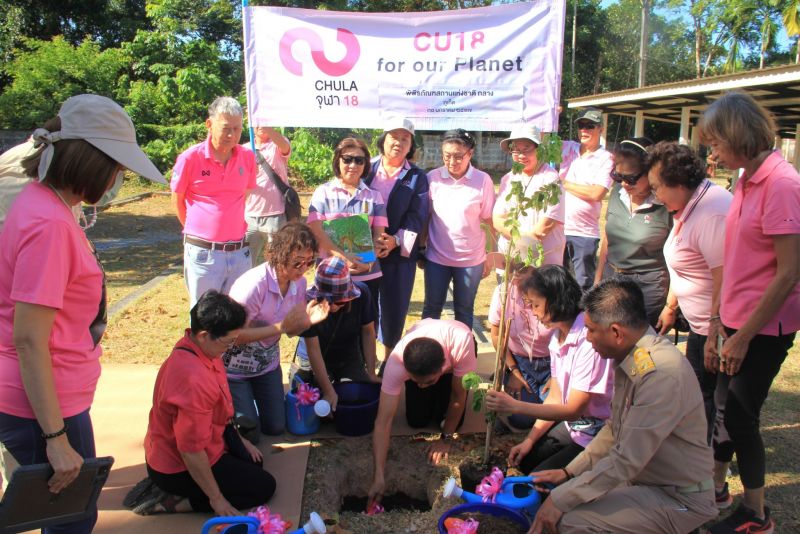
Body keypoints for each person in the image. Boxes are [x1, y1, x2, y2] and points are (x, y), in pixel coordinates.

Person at [0, 94, 165, 534]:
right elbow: (30, 338)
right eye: (117, 166)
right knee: (70, 521)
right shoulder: (50, 226)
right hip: (43, 405)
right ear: (92, 161)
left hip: (54, 395)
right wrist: (55, 439)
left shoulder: (46, 205)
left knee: (69, 516)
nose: (118, 177)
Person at [528, 279, 717, 534]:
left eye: (592, 330)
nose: (587, 337)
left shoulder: (658, 375)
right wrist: (569, 472)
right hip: (646, 482)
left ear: (616, 332)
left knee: (570, 521)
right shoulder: (631, 357)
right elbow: (613, 431)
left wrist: (561, 498)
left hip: (678, 496)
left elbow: (626, 460)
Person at [699, 92, 800, 534]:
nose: (712, 152)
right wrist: (721, 321)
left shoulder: (782, 184)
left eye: (716, 143)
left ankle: (756, 514)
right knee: (722, 405)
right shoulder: (746, 177)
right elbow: (739, 256)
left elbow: (789, 272)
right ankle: (716, 488)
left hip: (765, 325)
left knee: (741, 415)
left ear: (738, 136)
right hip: (736, 318)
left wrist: (743, 336)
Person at [139, 291, 275, 516]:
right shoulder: (192, 380)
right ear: (203, 335)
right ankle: (176, 501)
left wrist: (240, 441)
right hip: (176, 466)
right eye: (228, 341)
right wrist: (217, 499)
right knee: (263, 488)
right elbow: (190, 451)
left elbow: (220, 410)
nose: (231, 347)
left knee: (254, 462)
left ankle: (203, 485)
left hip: (212, 438)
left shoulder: (200, 348)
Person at [486, 266, 613, 474]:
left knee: (540, 481)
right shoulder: (557, 337)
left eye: (536, 305)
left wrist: (515, 406)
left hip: (598, 435)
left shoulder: (587, 339)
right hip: (576, 429)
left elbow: (573, 410)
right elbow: (554, 397)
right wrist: (529, 441)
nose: (533, 313)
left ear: (555, 299)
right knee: (526, 463)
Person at [646, 141, 732, 444]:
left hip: (715, 328)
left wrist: (714, 331)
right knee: (698, 393)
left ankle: (706, 465)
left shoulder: (712, 213)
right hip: (699, 323)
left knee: (710, 400)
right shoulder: (689, 206)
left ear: (678, 181)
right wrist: (671, 305)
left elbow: (724, 275)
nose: (655, 195)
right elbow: (685, 264)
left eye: (657, 187)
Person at [224, 222, 329, 441]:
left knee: (275, 427)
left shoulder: (298, 284)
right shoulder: (253, 285)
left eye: (309, 262)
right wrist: (281, 327)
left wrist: (308, 322)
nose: (303, 268)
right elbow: (232, 337)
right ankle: (230, 404)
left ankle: (248, 402)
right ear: (278, 255)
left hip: (267, 366)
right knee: (250, 434)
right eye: (297, 262)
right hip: (235, 370)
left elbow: (291, 330)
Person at [368, 318, 476, 506]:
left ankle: (440, 387)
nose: (421, 386)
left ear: (441, 367)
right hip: (425, 355)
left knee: (453, 422)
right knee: (417, 420)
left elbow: (458, 397)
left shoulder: (462, 344)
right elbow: (382, 422)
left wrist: (445, 440)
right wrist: (379, 475)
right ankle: (433, 391)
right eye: (415, 380)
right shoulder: (396, 363)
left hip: (453, 355)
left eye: (428, 381)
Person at [171, 96, 257, 306]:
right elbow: (177, 200)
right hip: (203, 253)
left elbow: (244, 194)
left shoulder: (247, 157)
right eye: (226, 128)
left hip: (238, 252)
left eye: (237, 129)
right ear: (209, 124)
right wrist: (200, 231)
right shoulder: (190, 158)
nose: (231, 135)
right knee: (204, 315)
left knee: (237, 313)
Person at [365, 118, 430, 362]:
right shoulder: (366, 168)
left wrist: (394, 240)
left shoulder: (416, 176)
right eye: (394, 137)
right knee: (365, 306)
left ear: (411, 144)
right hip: (365, 250)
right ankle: (365, 360)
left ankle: (388, 361)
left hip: (399, 253)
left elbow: (417, 215)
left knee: (394, 308)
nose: (399, 143)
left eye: (405, 139)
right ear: (384, 139)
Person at [422, 129, 495, 329]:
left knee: (464, 310)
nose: (452, 161)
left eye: (458, 156)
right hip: (437, 258)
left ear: (470, 154)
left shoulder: (483, 180)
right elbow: (426, 217)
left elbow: (490, 220)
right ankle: (427, 356)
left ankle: (463, 356)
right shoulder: (432, 178)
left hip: (471, 260)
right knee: (431, 309)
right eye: (447, 156)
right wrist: (421, 249)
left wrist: (489, 254)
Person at [595, 137, 671, 326]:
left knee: (642, 344)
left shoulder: (665, 204)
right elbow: (608, 238)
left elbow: (679, 258)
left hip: (647, 286)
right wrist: (598, 279)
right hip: (611, 278)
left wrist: (671, 306)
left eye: (631, 178)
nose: (624, 184)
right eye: (618, 177)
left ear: (651, 173)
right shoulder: (617, 194)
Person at [307, 137, 388, 316]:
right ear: (338, 160)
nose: (353, 165)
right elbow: (315, 229)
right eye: (347, 159)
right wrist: (344, 257)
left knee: (366, 329)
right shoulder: (323, 192)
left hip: (367, 275)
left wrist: (368, 262)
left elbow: (379, 236)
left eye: (359, 160)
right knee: (329, 327)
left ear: (366, 164)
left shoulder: (375, 197)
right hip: (330, 276)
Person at [294, 256, 381, 411]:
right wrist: (328, 391)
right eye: (326, 300)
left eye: (340, 301)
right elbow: (313, 349)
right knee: (321, 408)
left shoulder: (362, 293)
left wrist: (371, 373)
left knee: (357, 397)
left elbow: (368, 332)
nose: (333, 306)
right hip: (318, 357)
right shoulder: (307, 303)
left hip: (349, 355)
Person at [488, 266, 554, 430]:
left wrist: (557, 376)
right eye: (514, 268)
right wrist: (514, 371)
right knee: (521, 420)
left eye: (524, 269)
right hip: (520, 363)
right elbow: (497, 335)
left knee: (554, 413)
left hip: (552, 363)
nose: (517, 274)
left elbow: (566, 334)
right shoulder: (503, 293)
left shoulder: (551, 290)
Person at [493, 125, 566, 268]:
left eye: (527, 149)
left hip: (543, 261)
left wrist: (523, 253)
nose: (521, 155)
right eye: (516, 149)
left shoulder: (550, 179)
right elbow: (498, 220)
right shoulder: (508, 179)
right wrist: (516, 250)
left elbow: (545, 226)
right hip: (510, 259)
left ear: (539, 149)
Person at [562, 109, 614, 291]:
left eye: (590, 126)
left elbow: (596, 193)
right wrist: (553, 112)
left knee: (582, 286)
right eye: (581, 126)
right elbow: (543, 142)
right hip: (557, 229)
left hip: (583, 233)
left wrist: (564, 183)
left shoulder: (606, 159)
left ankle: (582, 320)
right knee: (558, 284)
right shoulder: (568, 148)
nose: (584, 130)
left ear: (601, 129)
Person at [243, 126, 291, 266]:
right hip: (249, 215)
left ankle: (275, 287)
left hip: (276, 215)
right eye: (257, 121)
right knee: (245, 261)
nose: (261, 125)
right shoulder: (244, 149)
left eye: (264, 121)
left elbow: (284, 147)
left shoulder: (277, 144)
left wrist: (267, 127)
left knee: (277, 260)